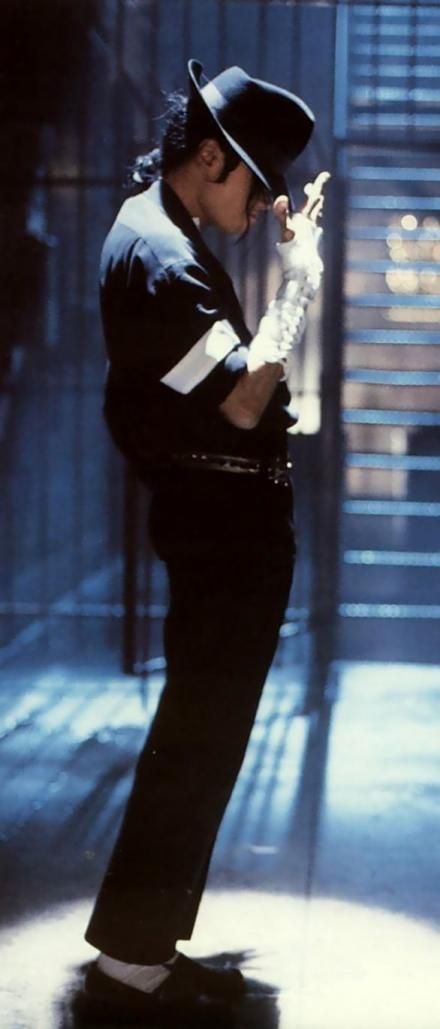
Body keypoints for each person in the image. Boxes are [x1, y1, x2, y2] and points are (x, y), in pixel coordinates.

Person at [79, 59, 324, 1025]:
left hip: (219, 524)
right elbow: (244, 398)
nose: (262, 208)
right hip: (222, 531)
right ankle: (134, 959)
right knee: (196, 740)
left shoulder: (159, 235)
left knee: (200, 737)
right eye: (257, 186)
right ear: (212, 157)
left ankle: (141, 949)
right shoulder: (161, 256)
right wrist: (300, 281)